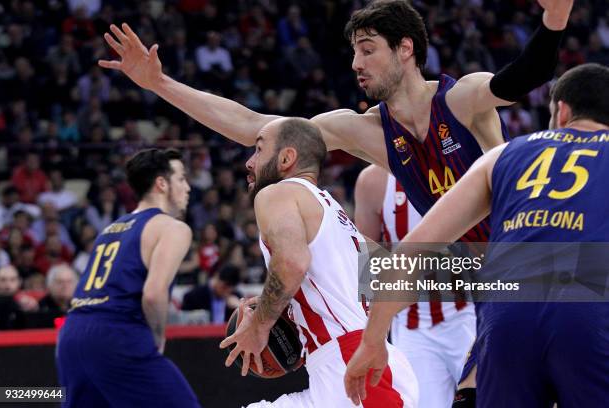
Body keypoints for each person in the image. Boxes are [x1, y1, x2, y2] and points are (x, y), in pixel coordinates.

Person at [98, 1, 571, 235]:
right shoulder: (361, 129)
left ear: (405, 49)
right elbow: (250, 127)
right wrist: (160, 84)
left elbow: (523, 76)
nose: (355, 64)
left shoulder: (463, 96)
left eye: (367, 50)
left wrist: (555, 17)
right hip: (471, 274)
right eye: (352, 52)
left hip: (531, 250)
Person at [344, 63, 609, 408]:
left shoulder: (503, 155)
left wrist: (373, 338)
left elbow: (412, 249)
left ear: (562, 112)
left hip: (505, 317)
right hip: (586, 306)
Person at [220, 118, 418, 407]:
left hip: (350, 367)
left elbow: (292, 262)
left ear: (287, 158)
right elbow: (404, 281)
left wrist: (260, 325)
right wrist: (302, 317)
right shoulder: (335, 214)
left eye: (259, 150)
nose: (249, 162)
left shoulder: (276, 193)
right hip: (364, 363)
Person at [56, 148, 201, 408]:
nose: (188, 187)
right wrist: (157, 338)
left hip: (72, 334)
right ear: (162, 183)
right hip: (117, 334)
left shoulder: (109, 229)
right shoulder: (173, 228)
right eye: (181, 179)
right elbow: (154, 293)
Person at [355, 164, 476, 408]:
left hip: (469, 313)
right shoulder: (373, 181)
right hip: (412, 326)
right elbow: (367, 266)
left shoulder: (457, 160)